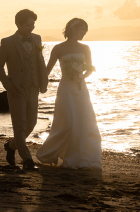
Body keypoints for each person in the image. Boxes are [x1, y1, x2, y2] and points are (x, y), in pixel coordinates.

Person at [36, 17, 102, 176]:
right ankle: (53, 154)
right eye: (82, 30)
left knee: (84, 123)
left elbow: (90, 68)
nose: (84, 33)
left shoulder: (85, 48)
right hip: (65, 89)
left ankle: (83, 159)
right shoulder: (58, 48)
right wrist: (41, 85)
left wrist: (82, 77)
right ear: (73, 29)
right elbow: (48, 69)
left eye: (86, 31)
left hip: (80, 90)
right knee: (66, 123)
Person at [0, 9, 48, 170]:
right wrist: (9, 86)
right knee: (20, 125)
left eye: (33, 24)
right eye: (28, 25)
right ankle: (27, 159)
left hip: (33, 87)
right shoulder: (7, 42)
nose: (32, 27)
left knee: (32, 123)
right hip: (16, 89)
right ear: (18, 24)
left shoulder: (37, 39)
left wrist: (43, 82)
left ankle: (11, 147)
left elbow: (40, 62)